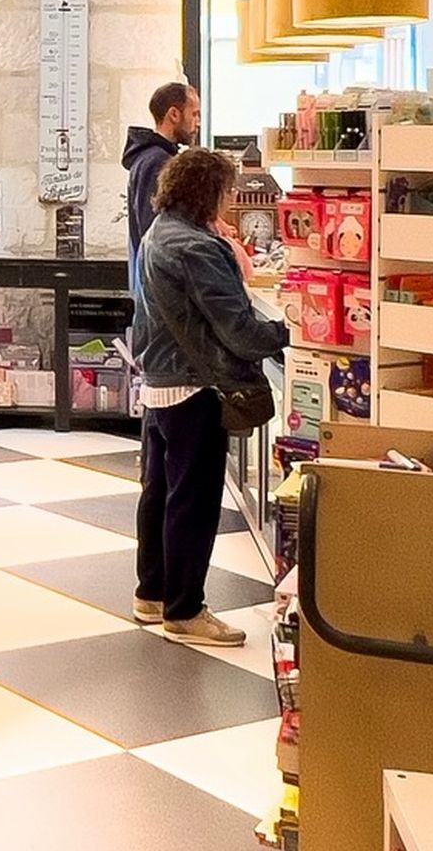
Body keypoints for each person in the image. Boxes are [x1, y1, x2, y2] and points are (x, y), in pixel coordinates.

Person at [132, 148, 287, 647]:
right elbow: (238, 330)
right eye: (227, 189)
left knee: (160, 493)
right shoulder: (198, 247)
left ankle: (153, 593)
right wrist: (290, 329)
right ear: (209, 192)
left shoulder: (160, 233)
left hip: (161, 381)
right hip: (196, 386)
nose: (231, 198)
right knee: (194, 502)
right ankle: (185, 610)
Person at [123, 82, 201, 270]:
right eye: (194, 114)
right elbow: (154, 232)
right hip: (158, 275)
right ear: (174, 114)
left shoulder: (155, 157)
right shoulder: (156, 161)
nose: (198, 122)